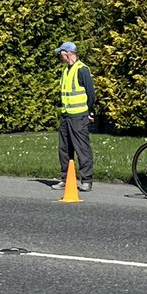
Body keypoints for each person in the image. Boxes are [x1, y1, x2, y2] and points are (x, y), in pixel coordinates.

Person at [53, 42, 95, 192]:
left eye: (61, 53)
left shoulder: (82, 70)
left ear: (67, 53)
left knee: (82, 148)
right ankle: (66, 178)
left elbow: (91, 94)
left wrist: (89, 112)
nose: (60, 56)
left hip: (79, 116)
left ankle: (87, 180)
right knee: (64, 149)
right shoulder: (66, 70)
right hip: (66, 115)